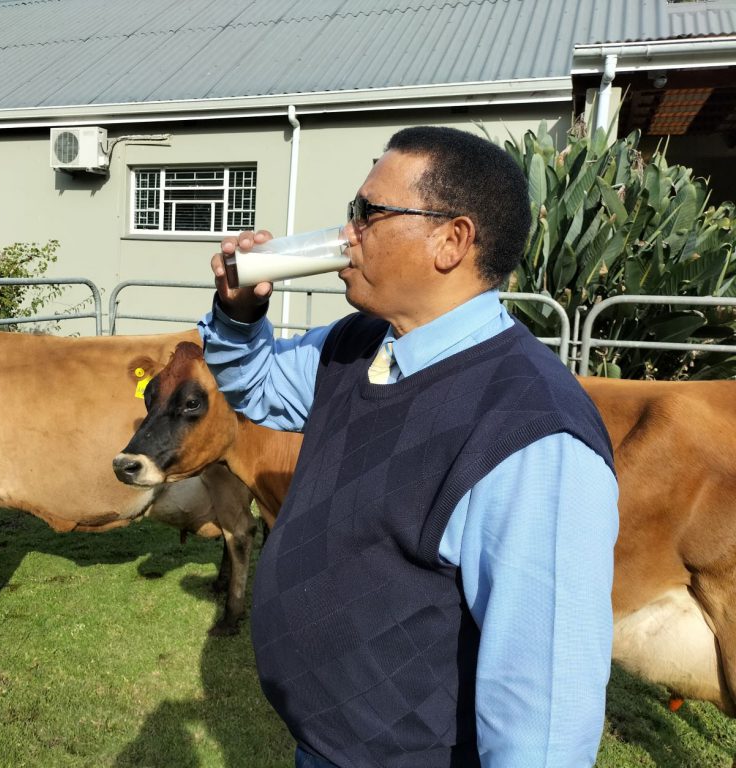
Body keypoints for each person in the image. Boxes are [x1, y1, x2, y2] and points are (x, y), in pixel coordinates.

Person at [198, 126, 619, 767]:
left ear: (451, 241)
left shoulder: (532, 433)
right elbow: (254, 387)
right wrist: (238, 315)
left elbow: (544, 713)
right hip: (325, 747)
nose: (347, 233)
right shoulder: (356, 344)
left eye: (368, 213)